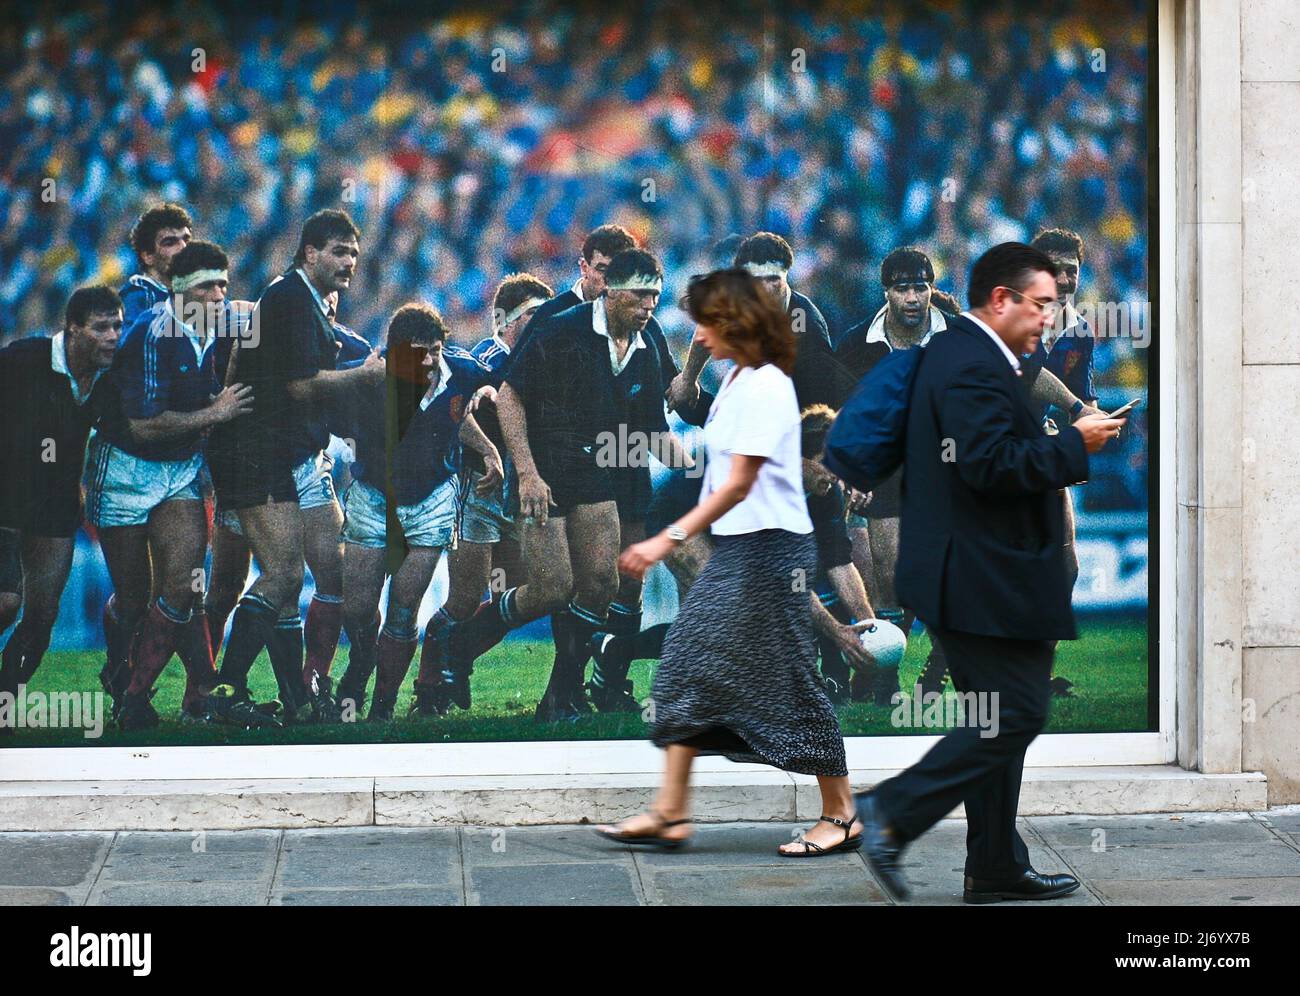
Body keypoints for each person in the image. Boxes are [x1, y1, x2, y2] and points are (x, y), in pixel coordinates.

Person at [849, 243, 1126, 902]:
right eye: (1039, 305)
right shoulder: (970, 360)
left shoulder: (977, 355)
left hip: (979, 569)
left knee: (1000, 723)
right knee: (1018, 712)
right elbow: (988, 465)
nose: (1046, 319)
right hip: (974, 574)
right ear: (1001, 300)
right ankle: (890, 812)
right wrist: (1072, 445)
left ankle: (995, 865)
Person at [595, 268, 861, 857]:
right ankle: (670, 812)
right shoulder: (741, 380)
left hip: (769, 550)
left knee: (790, 677)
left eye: (707, 324)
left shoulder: (765, 384)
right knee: (686, 667)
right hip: (743, 549)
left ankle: (841, 814)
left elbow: (739, 483)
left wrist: (666, 540)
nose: (699, 336)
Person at [204, 209, 383, 727]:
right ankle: (227, 688)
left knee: (326, 577)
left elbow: (249, 356)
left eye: (354, 252)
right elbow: (301, 387)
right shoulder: (288, 299)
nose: (349, 261)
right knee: (282, 576)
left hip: (291, 453)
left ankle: (303, 696)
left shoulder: (302, 300)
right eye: (338, 251)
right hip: (260, 454)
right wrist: (365, 376)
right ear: (310, 253)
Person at [86, 241, 253, 727]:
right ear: (179, 292)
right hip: (126, 468)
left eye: (223, 284)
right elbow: (142, 425)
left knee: (181, 587)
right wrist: (215, 413)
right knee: (135, 599)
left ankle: (140, 696)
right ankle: (121, 675)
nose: (219, 295)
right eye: (207, 286)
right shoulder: (153, 333)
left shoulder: (222, 324)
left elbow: (278, 323)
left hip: (179, 470)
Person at [412, 274, 548, 714]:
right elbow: (450, 372)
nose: (541, 322)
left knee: (522, 590)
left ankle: (460, 657)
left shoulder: (534, 359)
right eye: (533, 314)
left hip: (512, 488)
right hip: (478, 486)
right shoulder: (489, 355)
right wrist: (481, 401)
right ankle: (429, 686)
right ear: (504, 319)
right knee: (467, 597)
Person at [0, 286, 122, 729]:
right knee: (6, 604)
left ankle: (4, 706)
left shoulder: (108, 379)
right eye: (102, 327)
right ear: (73, 329)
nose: (113, 336)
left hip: (54, 507)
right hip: (6, 501)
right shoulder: (22, 360)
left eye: (118, 326)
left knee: (42, 615)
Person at [119, 204, 193, 324]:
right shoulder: (139, 298)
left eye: (186, 239)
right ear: (148, 256)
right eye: (170, 242)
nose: (183, 248)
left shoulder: (197, 295)